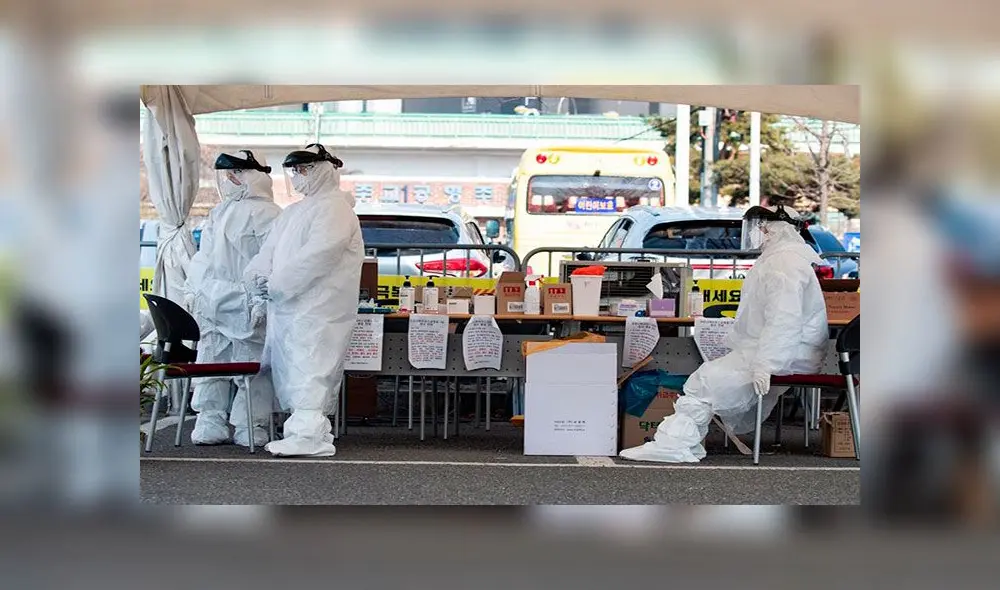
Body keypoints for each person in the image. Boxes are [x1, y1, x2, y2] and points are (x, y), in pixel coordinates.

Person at [620, 204, 829, 463]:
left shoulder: (783, 264)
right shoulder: (780, 259)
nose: (756, 232)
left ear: (776, 230)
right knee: (706, 379)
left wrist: (767, 364)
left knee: (705, 382)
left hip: (785, 354)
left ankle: (674, 445)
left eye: (761, 227)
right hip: (781, 351)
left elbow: (784, 320)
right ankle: (681, 443)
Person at [243, 144, 364, 457]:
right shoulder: (293, 212)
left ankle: (309, 436)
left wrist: (279, 284)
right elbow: (268, 252)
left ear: (325, 169)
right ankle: (305, 431)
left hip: (319, 308)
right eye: (294, 170)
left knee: (312, 366)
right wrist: (257, 276)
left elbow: (320, 254)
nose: (297, 176)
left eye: (304, 169)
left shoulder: (335, 209)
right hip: (289, 307)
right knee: (294, 368)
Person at [184, 150, 281, 446]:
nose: (228, 181)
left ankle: (250, 424)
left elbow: (272, 261)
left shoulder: (270, 215)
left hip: (246, 303)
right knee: (212, 358)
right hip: (215, 301)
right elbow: (205, 258)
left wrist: (262, 299)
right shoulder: (220, 211)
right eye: (226, 176)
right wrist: (193, 289)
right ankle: (209, 420)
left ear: (249, 176)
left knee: (253, 367)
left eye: (233, 175)